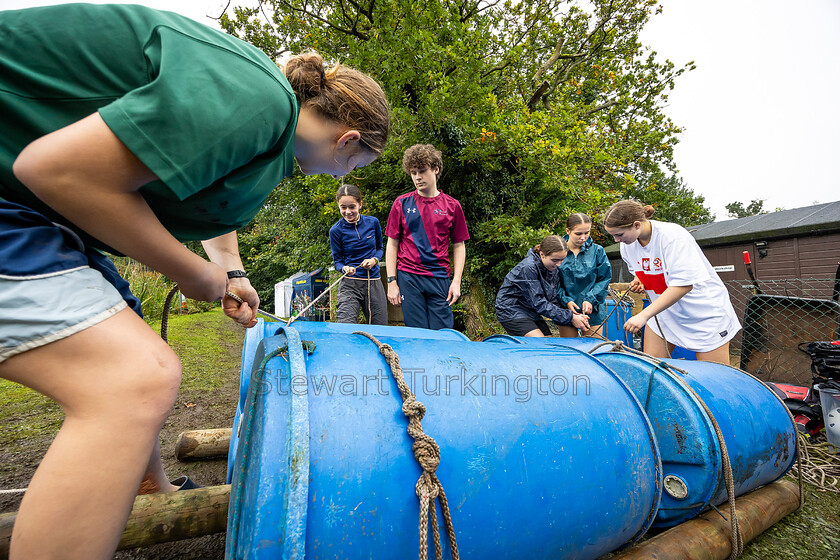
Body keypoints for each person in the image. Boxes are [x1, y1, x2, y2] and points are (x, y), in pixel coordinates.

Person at [0, 4, 389, 559]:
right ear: (348, 140)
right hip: (21, 197)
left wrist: (230, 271)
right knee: (134, 378)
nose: (341, 178)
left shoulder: (270, 135)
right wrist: (189, 272)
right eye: (353, 168)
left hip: (43, 214)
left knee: (127, 319)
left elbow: (213, 205)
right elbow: (57, 170)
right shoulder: (259, 100)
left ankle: (144, 484)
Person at [603, 200, 740, 364]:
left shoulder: (673, 237)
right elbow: (642, 271)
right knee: (652, 369)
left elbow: (683, 286)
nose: (616, 240)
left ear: (637, 225)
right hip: (664, 312)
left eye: (619, 234)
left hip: (703, 314)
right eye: (613, 235)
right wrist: (640, 280)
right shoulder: (628, 244)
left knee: (714, 376)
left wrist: (643, 315)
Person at [384, 144, 469, 330]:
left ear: (436, 169)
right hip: (409, 276)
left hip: (439, 277)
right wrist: (392, 282)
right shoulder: (401, 203)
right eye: (413, 172)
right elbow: (392, 244)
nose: (417, 177)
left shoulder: (452, 206)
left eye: (422, 171)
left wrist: (456, 282)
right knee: (417, 334)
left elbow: (459, 245)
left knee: (443, 332)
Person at [495, 236, 591, 337]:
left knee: (548, 340)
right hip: (511, 309)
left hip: (531, 309)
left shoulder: (552, 268)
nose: (559, 264)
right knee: (540, 342)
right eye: (555, 260)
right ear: (542, 254)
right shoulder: (528, 268)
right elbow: (539, 303)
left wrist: (572, 313)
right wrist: (570, 317)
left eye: (562, 259)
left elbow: (552, 298)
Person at [329, 184, 388, 324]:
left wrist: (374, 259)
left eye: (352, 207)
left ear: (360, 204)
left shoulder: (373, 222)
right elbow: (337, 262)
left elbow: (380, 248)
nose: (348, 211)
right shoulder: (335, 231)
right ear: (338, 205)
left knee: (380, 328)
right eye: (343, 207)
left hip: (373, 281)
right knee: (345, 325)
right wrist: (344, 268)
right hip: (350, 284)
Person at [556, 213, 612, 337]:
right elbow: (553, 282)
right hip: (566, 309)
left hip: (593, 309)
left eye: (587, 233)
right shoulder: (558, 251)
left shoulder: (598, 251)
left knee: (594, 348)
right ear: (568, 231)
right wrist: (566, 301)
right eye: (578, 234)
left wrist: (590, 299)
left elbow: (604, 279)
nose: (583, 237)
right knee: (571, 350)